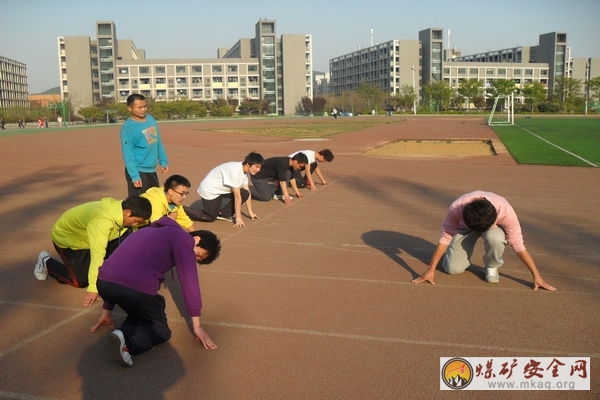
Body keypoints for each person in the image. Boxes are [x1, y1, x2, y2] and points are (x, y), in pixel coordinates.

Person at [90, 216, 221, 367]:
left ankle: (122, 333)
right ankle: (127, 340)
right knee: (160, 330)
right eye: (197, 255)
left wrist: (106, 310)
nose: (194, 259)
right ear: (196, 239)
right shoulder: (185, 239)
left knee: (141, 312)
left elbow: (119, 266)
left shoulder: (146, 231)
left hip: (103, 283)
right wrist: (197, 327)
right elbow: (189, 281)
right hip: (134, 289)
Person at [412, 191, 556, 291]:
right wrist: (430, 269)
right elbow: (445, 237)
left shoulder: (505, 211)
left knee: (496, 238)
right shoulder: (456, 208)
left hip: (491, 228)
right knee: (452, 270)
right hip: (465, 227)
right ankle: (454, 258)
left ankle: (491, 266)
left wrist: (536, 276)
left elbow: (518, 245)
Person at [34, 196, 152, 306]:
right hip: (71, 242)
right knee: (79, 280)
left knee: (131, 235)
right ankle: (46, 261)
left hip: (92, 237)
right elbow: (97, 255)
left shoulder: (122, 209)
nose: (136, 224)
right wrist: (94, 288)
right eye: (136, 221)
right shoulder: (102, 222)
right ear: (127, 212)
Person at [184, 152, 264, 227]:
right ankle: (182, 210)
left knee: (245, 193)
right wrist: (238, 217)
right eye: (257, 166)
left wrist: (250, 212)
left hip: (221, 190)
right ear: (248, 164)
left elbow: (247, 192)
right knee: (209, 217)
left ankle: (223, 214)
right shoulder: (235, 171)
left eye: (260, 167)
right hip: (209, 190)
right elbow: (237, 196)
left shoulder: (246, 173)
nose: (258, 170)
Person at [121, 93, 169, 197]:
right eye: (140, 107)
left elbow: (157, 141)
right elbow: (128, 154)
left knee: (155, 201)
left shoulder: (150, 119)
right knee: (139, 204)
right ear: (130, 108)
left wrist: (163, 160)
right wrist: (134, 176)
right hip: (138, 171)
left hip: (151, 170)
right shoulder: (128, 129)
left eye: (145, 106)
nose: (143, 110)